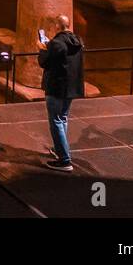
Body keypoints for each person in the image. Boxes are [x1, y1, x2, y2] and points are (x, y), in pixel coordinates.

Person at [37, 14, 85, 171]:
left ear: (57, 27)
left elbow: (44, 62)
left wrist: (41, 49)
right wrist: (48, 47)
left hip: (56, 87)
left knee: (56, 120)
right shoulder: (77, 41)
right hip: (71, 88)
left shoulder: (56, 43)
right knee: (63, 118)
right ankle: (60, 150)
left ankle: (64, 160)